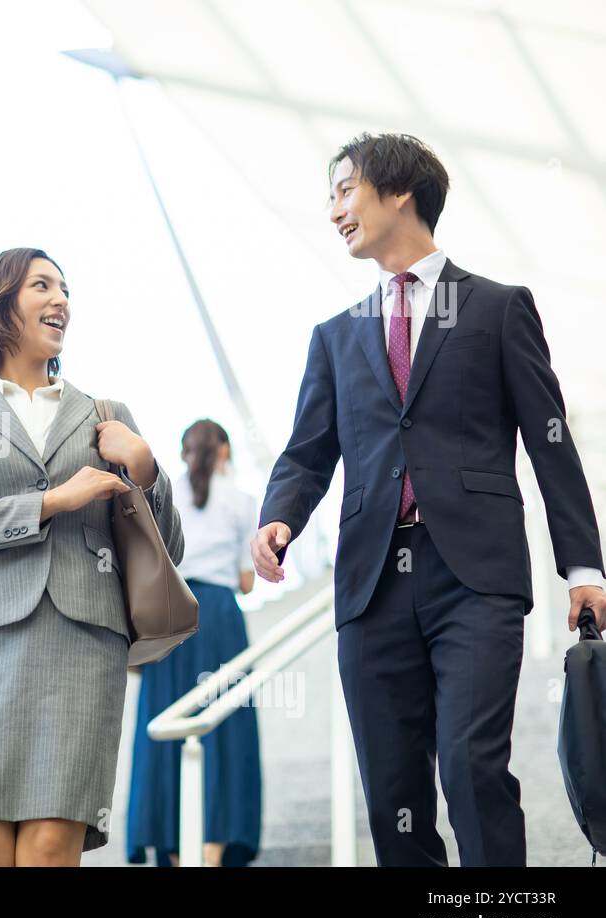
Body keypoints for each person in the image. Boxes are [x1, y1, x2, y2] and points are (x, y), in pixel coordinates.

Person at [253, 133, 606, 866]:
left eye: (344, 191)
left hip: (474, 579)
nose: (334, 212)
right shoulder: (335, 337)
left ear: (399, 192)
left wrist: (584, 570)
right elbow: (309, 451)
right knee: (393, 791)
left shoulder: (499, 309)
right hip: (372, 583)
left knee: (472, 768)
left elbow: (549, 443)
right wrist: (280, 516)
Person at [0, 247, 184, 866]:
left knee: (53, 846)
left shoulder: (105, 417)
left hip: (83, 642)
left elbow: (169, 548)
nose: (61, 299)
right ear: (0, 304)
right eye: (42, 286)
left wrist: (146, 470)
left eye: (64, 288)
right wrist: (52, 502)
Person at [127, 419, 262, 867]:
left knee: (166, 726)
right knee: (225, 731)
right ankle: (215, 850)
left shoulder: (164, 494)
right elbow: (246, 582)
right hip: (220, 617)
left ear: (185, 453)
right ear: (223, 451)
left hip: (172, 616)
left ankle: (173, 848)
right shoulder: (242, 501)